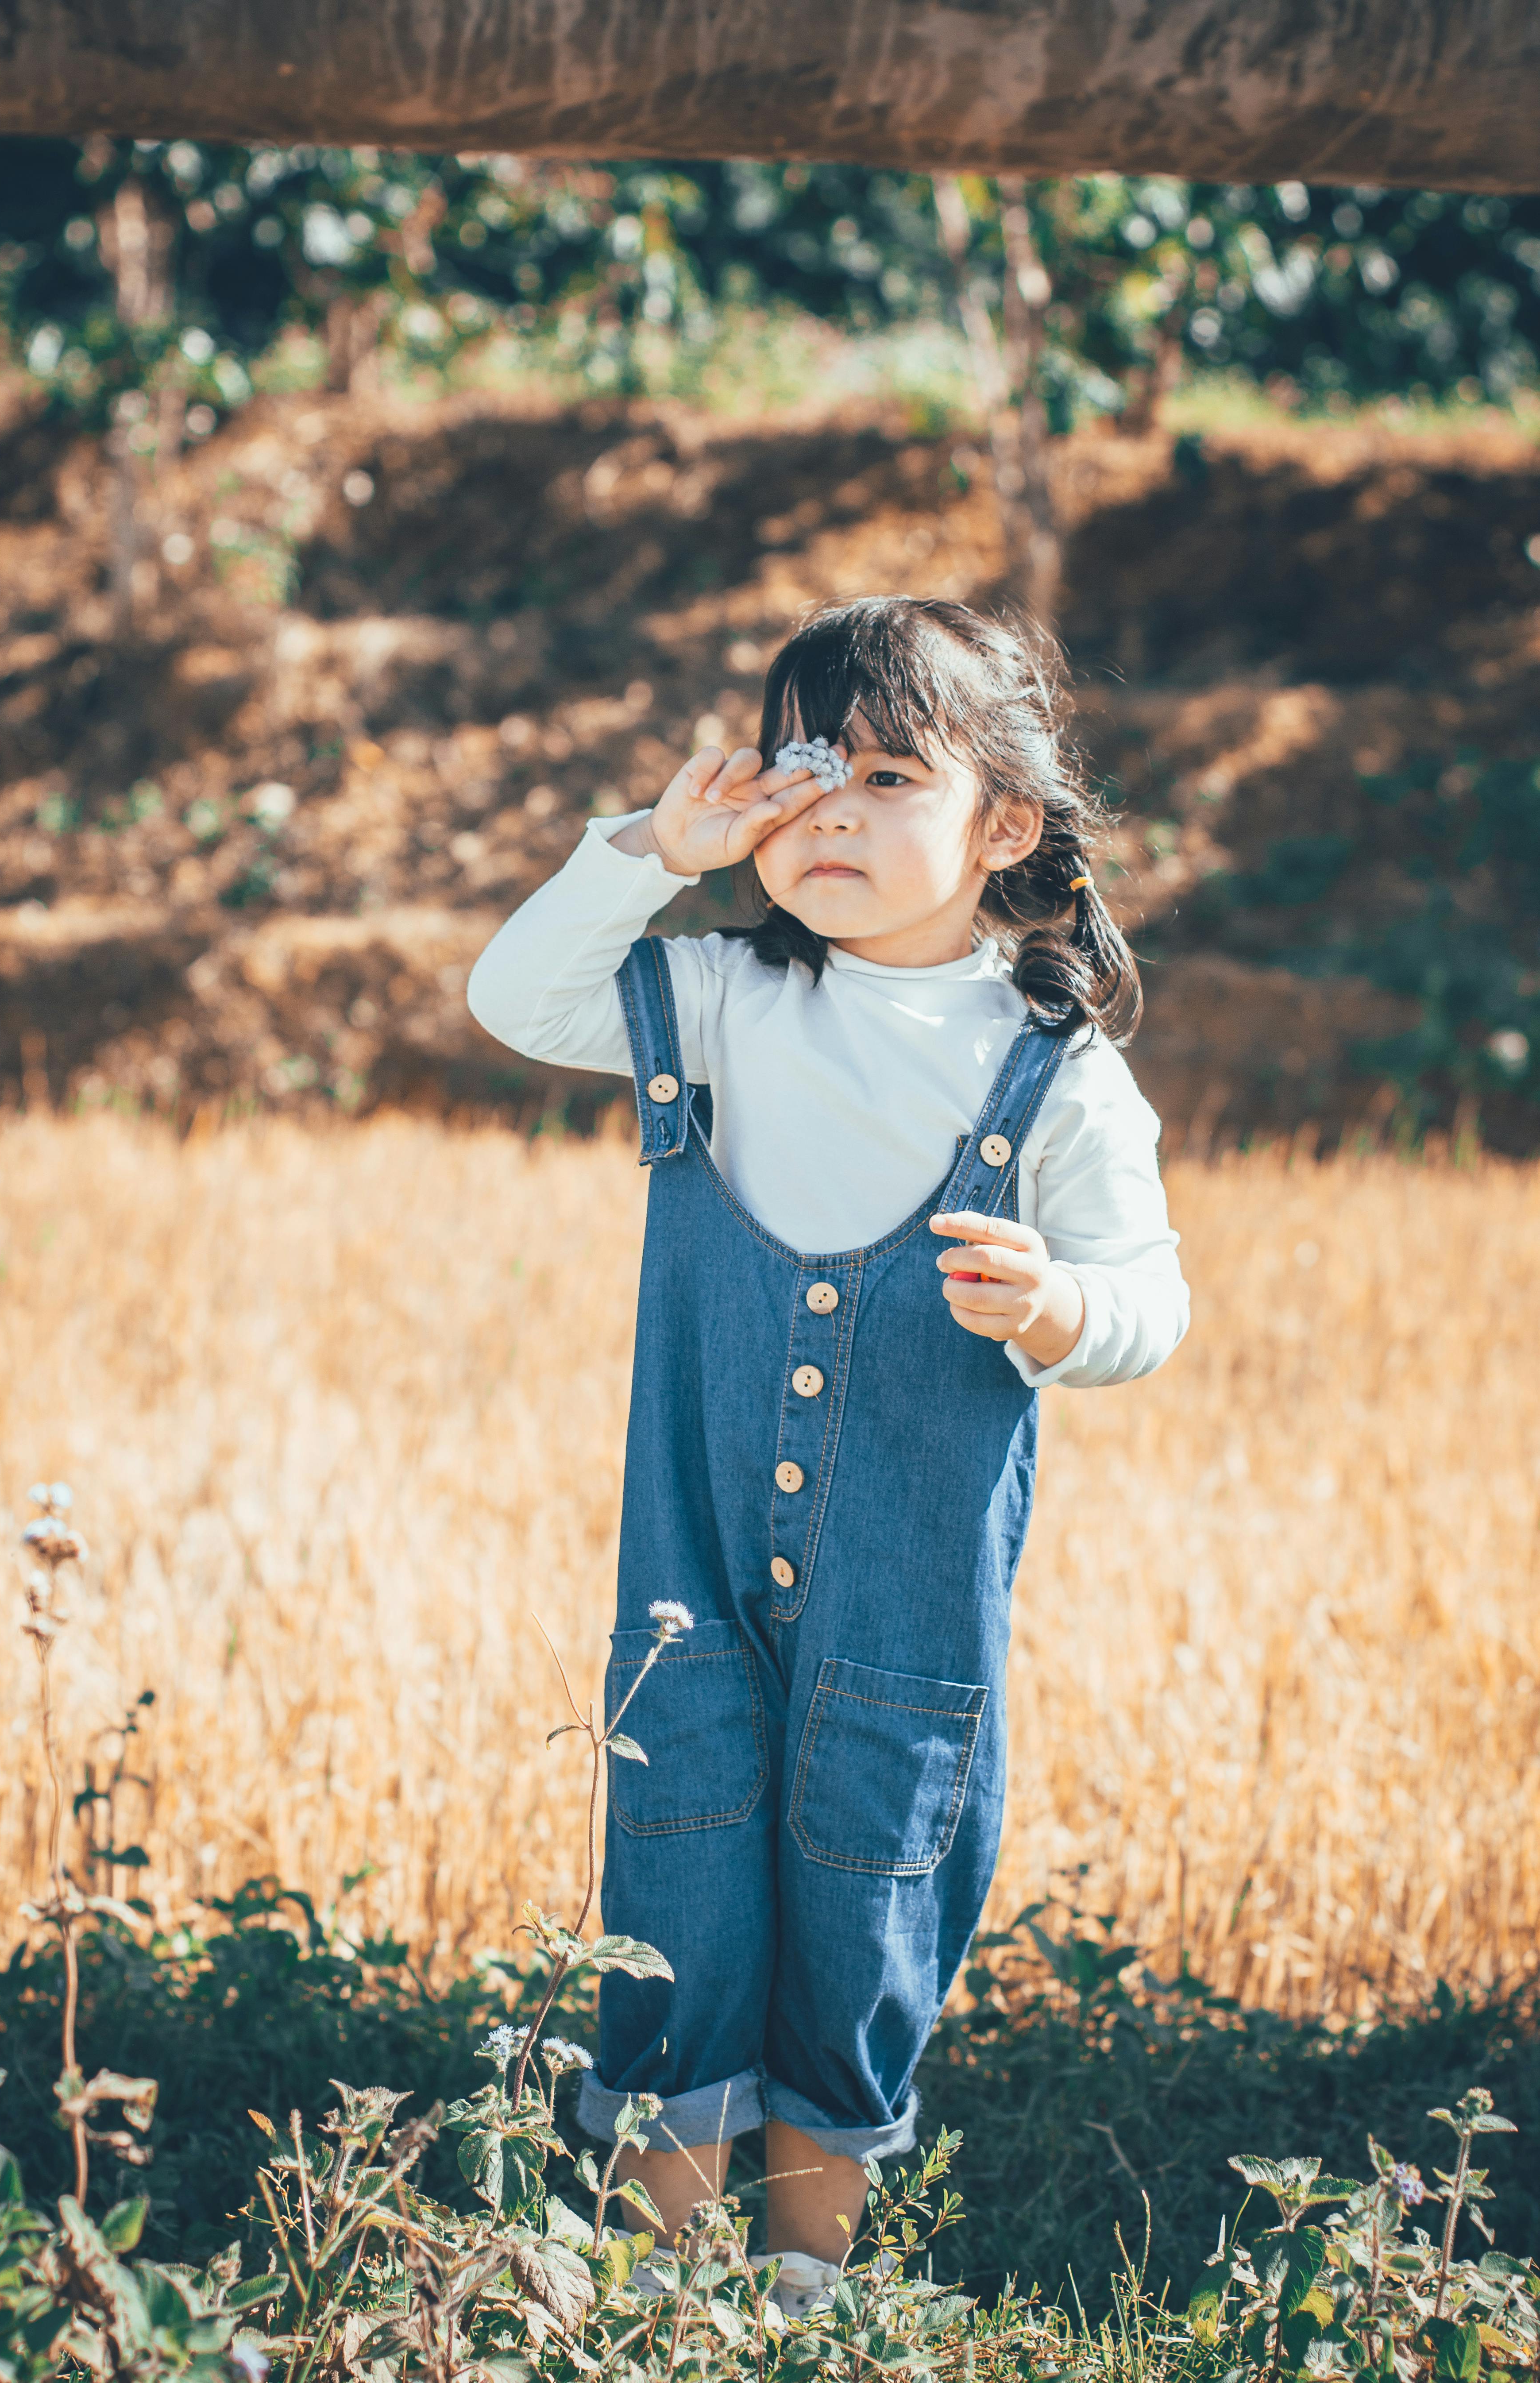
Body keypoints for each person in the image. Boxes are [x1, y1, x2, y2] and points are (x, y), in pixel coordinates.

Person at [467, 595, 1189, 2296]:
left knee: (864, 1921)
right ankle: (662, 2286)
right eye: (806, 774)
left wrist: (1057, 1313)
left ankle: (810, 2290)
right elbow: (515, 995)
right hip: (688, 1597)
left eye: (886, 774)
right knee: (680, 1901)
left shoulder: (1057, 1077)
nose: (834, 813)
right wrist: (655, 845)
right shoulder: (720, 1002)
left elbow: (1153, 1302)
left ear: (1004, 826)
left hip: (902, 1627)